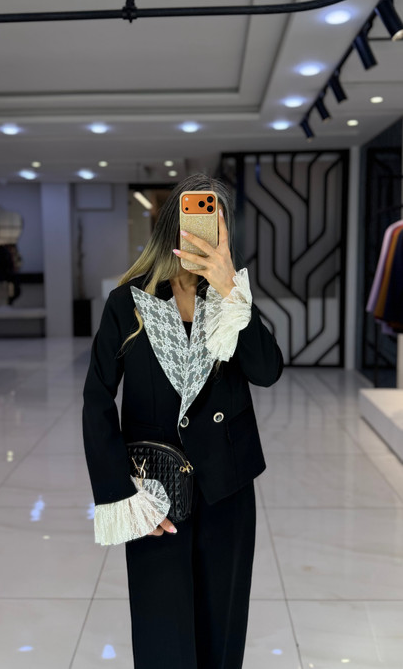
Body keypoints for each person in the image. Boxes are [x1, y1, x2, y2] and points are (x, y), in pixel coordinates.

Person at [82, 173, 284, 669]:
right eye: (193, 218)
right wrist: (122, 496)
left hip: (227, 490)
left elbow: (267, 371)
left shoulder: (232, 301)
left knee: (221, 634)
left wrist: (231, 288)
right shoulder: (128, 303)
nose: (201, 232)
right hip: (155, 493)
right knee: (162, 636)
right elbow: (96, 400)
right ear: (172, 225)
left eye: (213, 223)